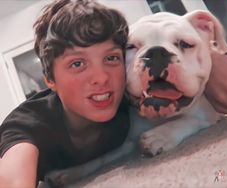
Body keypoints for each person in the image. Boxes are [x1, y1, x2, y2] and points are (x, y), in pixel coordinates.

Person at [0, 0, 130, 187]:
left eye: (111, 58)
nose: (101, 77)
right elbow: (14, 180)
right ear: (50, 80)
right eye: (77, 64)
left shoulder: (132, 97)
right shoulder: (28, 125)